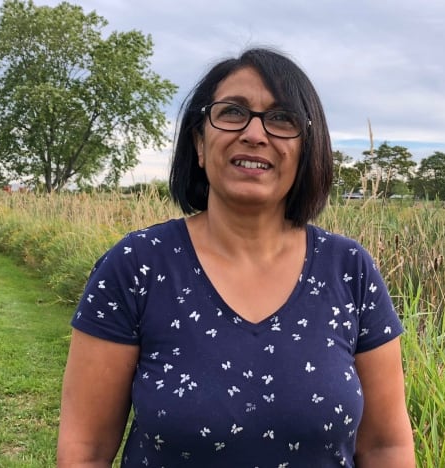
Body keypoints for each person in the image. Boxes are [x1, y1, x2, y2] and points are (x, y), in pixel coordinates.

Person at [57, 47, 414, 467]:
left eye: (282, 119)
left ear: (306, 151)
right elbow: (86, 450)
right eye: (232, 113)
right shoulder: (138, 265)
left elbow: (385, 446)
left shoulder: (349, 269)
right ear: (200, 142)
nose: (255, 134)